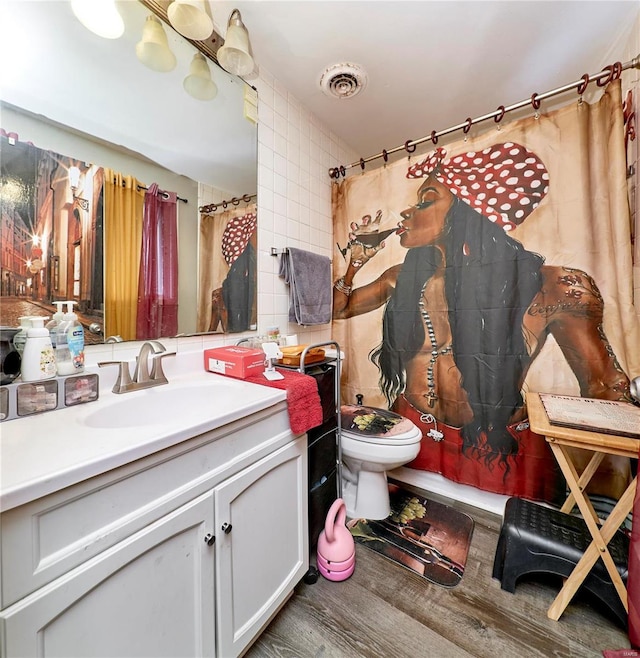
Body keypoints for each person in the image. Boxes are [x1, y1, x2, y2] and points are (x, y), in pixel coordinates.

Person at [333, 142, 631, 498]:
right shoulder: (402, 276)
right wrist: (354, 262)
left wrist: (602, 501)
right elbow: (341, 309)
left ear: (468, 212)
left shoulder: (553, 286)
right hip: (411, 430)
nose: (406, 211)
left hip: (498, 446)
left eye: (426, 200)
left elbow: (604, 386)